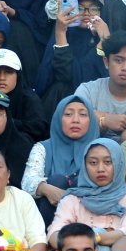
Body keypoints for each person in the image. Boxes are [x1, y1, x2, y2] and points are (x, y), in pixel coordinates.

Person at [47, 138, 126, 251]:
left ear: (119, 163)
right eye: (93, 163)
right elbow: (54, 234)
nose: (100, 169)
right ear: (84, 166)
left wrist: (94, 237)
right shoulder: (72, 200)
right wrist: (90, 242)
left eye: (108, 162)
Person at [22, 97, 99, 227]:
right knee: (57, 181)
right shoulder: (43, 148)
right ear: (58, 119)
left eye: (83, 114)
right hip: (51, 214)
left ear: (91, 120)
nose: (75, 120)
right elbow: (27, 182)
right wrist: (46, 188)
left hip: (93, 217)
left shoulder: (102, 149)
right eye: (68, 114)